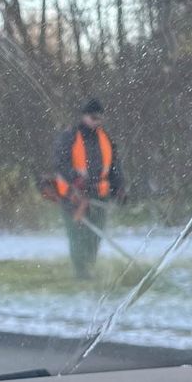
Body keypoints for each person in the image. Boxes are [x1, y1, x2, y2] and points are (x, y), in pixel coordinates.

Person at [52, 98, 125, 280]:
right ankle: (81, 272)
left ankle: (88, 267)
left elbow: (114, 167)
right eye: (93, 117)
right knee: (77, 235)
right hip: (73, 197)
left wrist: (119, 188)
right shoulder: (69, 137)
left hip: (99, 196)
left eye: (100, 118)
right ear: (84, 117)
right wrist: (75, 180)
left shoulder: (106, 139)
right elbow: (60, 163)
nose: (97, 121)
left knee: (94, 237)